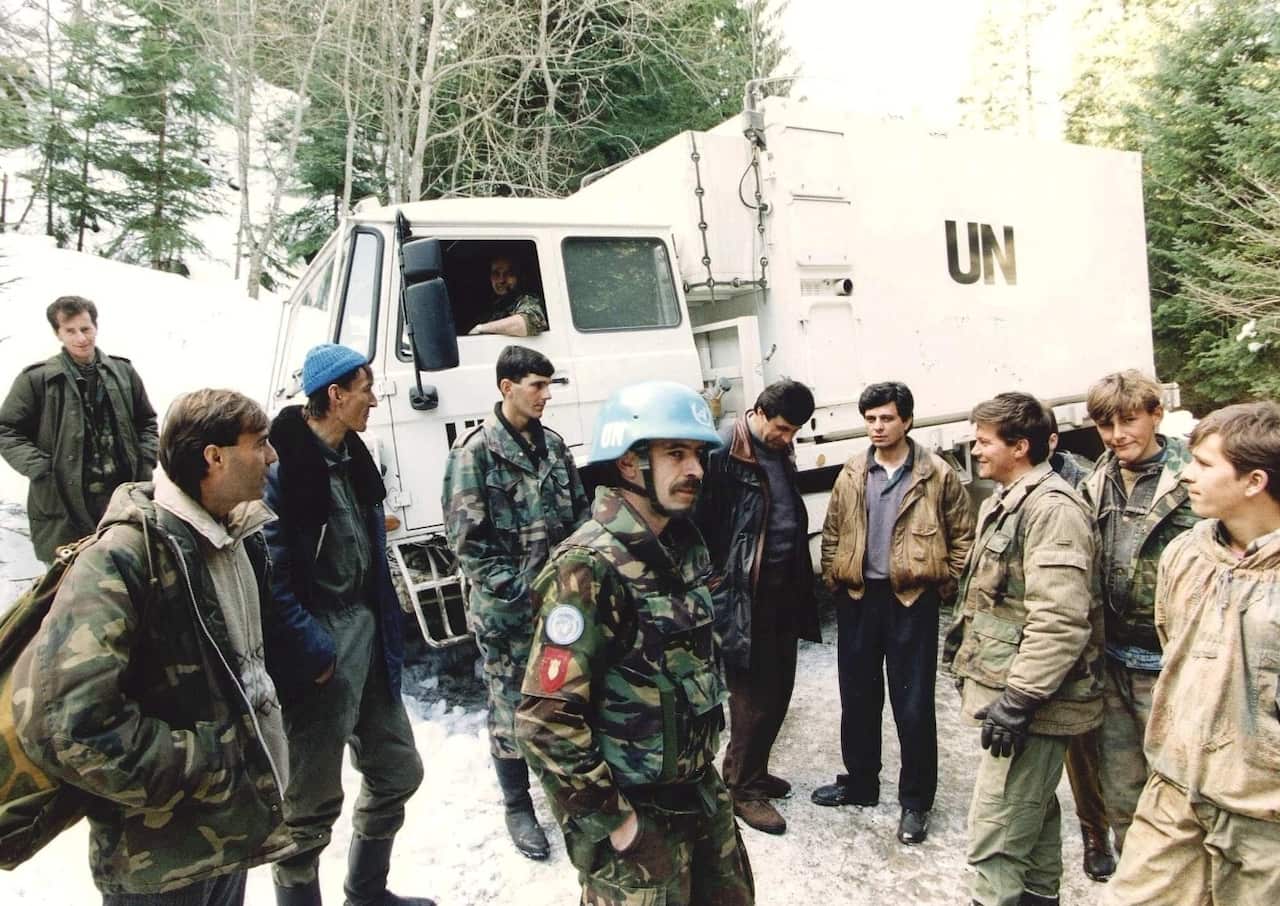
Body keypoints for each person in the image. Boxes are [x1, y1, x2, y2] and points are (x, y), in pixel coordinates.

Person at [12, 389, 292, 904]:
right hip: (161, 864)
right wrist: (206, 764)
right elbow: (66, 724)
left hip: (227, 835)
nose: (273, 456)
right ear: (215, 457)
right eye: (261, 443)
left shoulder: (239, 536)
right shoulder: (122, 558)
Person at [516, 380, 754, 906]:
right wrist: (618, 823)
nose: (694, 468)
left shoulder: (681, 546)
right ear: (629, 463)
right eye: (675, 453)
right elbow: (545, 723)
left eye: (697, 454)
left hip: (699, 795)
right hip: (636, 815)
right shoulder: (588, 567)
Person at [264, 344, 432, 906]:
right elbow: (272, 575)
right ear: (335, 396)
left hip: (371, 637)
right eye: (367, 389)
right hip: (319, 651)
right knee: (306, 811)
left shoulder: (354, 458)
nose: (376, 400)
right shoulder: (281, 469)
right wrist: (310, 646)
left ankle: (366, 893)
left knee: (397, 770)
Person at [1104, 401, 1280, 906]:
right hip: (1175, 792)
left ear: (1254, 481)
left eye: (1204, 464)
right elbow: (1173, 646)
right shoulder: (1186, 553)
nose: (1186, 475)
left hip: (1262, 818)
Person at [944, 391, 1103, 906]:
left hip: (1033, 703)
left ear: (1021, 446)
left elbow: (1059, 619)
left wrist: (1018, 701)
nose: (975, 449)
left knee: (995, 834)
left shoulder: (1052, 510)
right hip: (1020, 696)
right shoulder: (1007, 498)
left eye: (984, 441)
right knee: (1031, 823)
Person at [442, 344, 589, 859]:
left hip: (561, 610)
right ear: (507, 388)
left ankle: (570, 793)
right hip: (508, 614)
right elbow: (468, 544)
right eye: (537, 386)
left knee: (566, 699)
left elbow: (578, 520)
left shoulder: (553, 446)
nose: (546, 396)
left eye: (550, 386)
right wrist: (524, 593)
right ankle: (517, 805)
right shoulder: (474, 453)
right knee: (510, 710)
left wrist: (572, 585)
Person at [813, 381, 975, 847]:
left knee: (913, 705)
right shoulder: (851, 471)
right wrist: (835, 577)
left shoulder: (936, 474)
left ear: (906, 420)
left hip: (911, 602)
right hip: (860, 600)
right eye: (870, 419)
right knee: (858, 698)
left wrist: (944, 582)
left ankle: (916, 802)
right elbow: (833, 530)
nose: (877, 427)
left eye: (886, 418)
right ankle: (862, 783)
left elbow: (963, 538)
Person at [1077, 371, 1198, 866]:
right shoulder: (1095, 481)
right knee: (1122, 788)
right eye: (1106, 424)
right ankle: (1137, 878)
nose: (1116, 435)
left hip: (1171, 665)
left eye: (1128, 421)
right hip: (1110, 661)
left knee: (1180, 789)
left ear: (1155, 415)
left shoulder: (1192, 478)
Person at [694, 379, 822, 836]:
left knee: (780, 688)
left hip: (784, 591)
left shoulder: (778, 447)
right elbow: (694, 526)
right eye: (783, 429)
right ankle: (742, 789)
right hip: (743, 597)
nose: (788, 439)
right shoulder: (721, 450)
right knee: (750, 697)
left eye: (794, 432)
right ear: (759, 412)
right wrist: (715, 584)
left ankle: (755, 770)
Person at [0, 295, 158, 563]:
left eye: (86, 329)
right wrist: (40, 469)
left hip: (121, 498)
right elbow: (6, 429)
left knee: (128, 578)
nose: (81, 338)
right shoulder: (38, 379)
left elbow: (147, 422)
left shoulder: (123, 372)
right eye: (70, 331)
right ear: (58, 333)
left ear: (95, 326)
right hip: (63, 503)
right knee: (65, 587)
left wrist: (145, 458)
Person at [1045, 412, 1117, 882]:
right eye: (1107, 426)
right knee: (1082, 745)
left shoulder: (1087, 481)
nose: (1115, 436)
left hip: (1131, 632)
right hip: (1084, 635)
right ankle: (1095, 832)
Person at [467, 256, 548, 337]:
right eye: (496, 274)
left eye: (509, 274)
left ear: (519, 277)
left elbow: (530, 323)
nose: (501, 280)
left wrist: (481, 328)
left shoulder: (528, 299)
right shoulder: (491, 307)